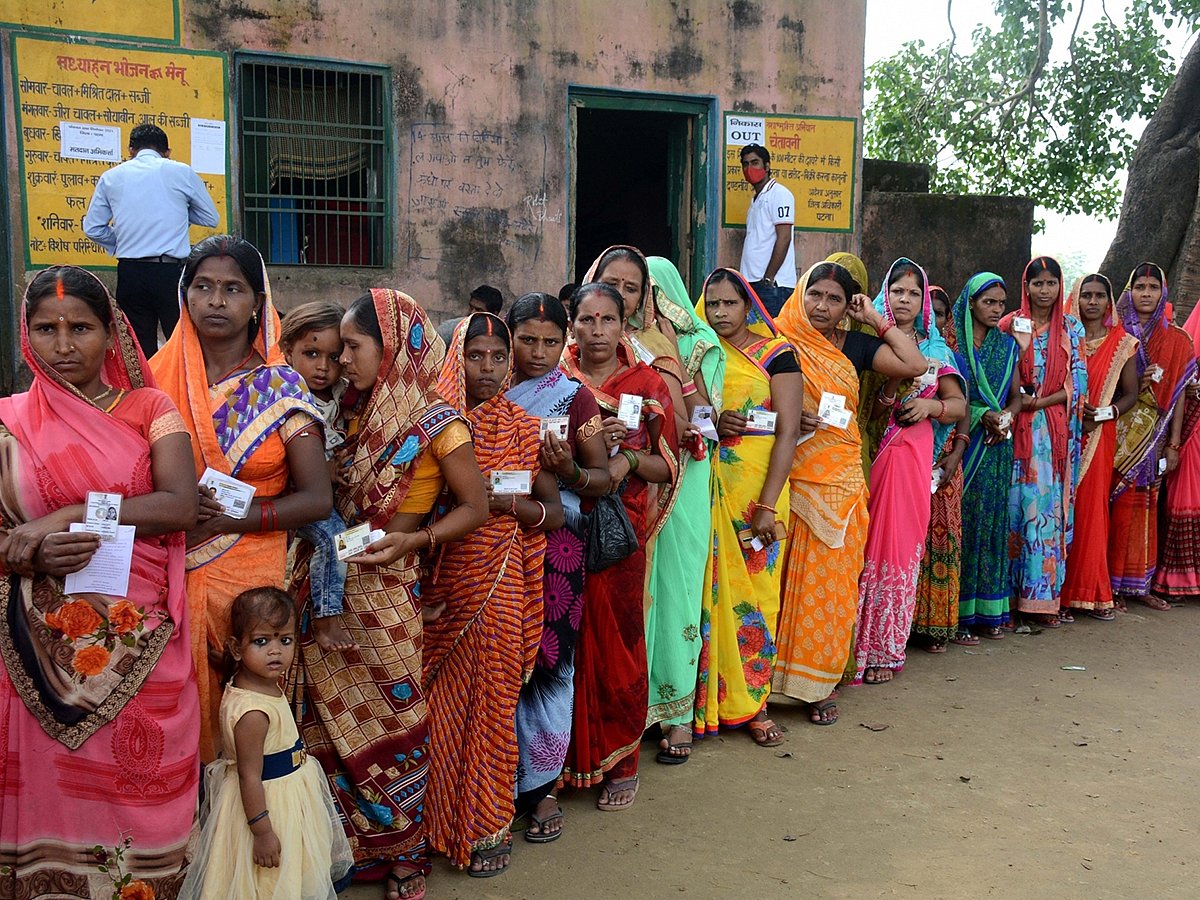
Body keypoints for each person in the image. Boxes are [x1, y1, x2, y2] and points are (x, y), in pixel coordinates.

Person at [0, 266, 199, 896]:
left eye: (80, 327)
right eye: (46, 329)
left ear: (113, 334)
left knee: (138, 789)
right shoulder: (9, 422)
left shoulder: (149, 408)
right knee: (51, 789)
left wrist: (76, 510)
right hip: (31, 648)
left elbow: (178, 505)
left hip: (143, 639)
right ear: (26, 336)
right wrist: (23, 555)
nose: (64, 346)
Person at [290, 289, 487, 900]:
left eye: (353, 346)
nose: (342, 359)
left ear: (395, 345)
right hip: (324, 584)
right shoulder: (344, 412)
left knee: (396, 718)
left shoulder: (438, 421)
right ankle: (348, 845)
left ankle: (403, 850)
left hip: (387, 589)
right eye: (339, 347)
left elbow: (476, 506)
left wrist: (417, 541)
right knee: (325, 723)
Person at [150, 235, 331, 762]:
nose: (216, 300)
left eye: (233, 288)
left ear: (258, 302)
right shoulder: (151, 380)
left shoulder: (281, 389)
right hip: (167, 564)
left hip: (248, 570)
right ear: (186, 297)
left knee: (243, 712)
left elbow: (317, 497)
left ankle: (242, 826)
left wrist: (238, 519)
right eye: (202, 287)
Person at [421, 313, 562, 877]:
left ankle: (485, 827)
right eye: (474, 356)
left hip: (501, 586)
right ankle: (432, 825)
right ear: (456, 360)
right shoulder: (434, 425)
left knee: (494, 708)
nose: (487, 368)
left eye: (496, 357)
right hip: (441, 581)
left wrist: (512, 508)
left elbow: (551, 514)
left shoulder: (527, 430)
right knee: (437, 710)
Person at [772, 262, 924, 725]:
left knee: (833, 584)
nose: (822, 306)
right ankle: (764, 684)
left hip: (840, 479)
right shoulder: (779, 341)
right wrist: (788, 417)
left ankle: (816, 684)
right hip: (786, 476)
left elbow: (914, 365)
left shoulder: (855, 345)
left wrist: (875, 319)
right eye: (815, 294)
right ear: (801, 293)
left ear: (848, 306)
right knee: (777, 581)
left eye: (835, 299)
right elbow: (750, 398)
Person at [589, 248, 715, 762]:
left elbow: (689, 425)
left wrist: (639, 447)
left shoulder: (662, 353)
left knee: (672, 596)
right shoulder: (573, 352)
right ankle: (622, 719)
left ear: (645, 298)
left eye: (631, 287)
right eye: (609, 282)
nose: (619, 294)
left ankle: (676, 713)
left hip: (666, 491)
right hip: (593, 500)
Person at [559, 282, 678, 811]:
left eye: (609, 320)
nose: (598, 331)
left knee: (617, 638)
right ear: (573, 324)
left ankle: (620, 759)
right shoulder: (555, 379)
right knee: (562, 639)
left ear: (624, 325)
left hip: (618, 527)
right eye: (588, 320)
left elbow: (667, 463)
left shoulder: (647, 383)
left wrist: (626, 459)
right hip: (560, 522)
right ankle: (559, 762)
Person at [505, 292, 610, 842]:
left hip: (557, 550)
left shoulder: (577, 401)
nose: (539, 353)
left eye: (550, 342)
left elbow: (603, 479)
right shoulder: (482, 385)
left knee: (548, 662)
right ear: (509, 336)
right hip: (491, 543)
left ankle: (541, 787)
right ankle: (495, 781)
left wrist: (567, 468)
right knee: (498, 660)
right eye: (527, 340)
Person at [180, 588, 352, 900]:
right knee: (266, 882)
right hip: (269, 807)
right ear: (235, 647)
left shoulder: (261, 687)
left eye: (284, 640)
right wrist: (262, 833)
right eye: (262, 641)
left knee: (286, 877)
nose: (275, 651)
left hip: (286, 796)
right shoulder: (253, 713)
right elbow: (249, 775)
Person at [693, 268, 800, 742]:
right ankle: (709, 704)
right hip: (710, 484)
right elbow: (694, 420)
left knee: (758, 595)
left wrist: (769, 504)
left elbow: (789, 432)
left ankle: (754, 704)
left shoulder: (777, 354)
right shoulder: (699, 353)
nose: (718, 313)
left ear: (749, 305)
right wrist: (716, 420)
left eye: (728, 304)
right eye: (711, 304)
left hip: (759, 490)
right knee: (708, 594)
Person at [854, 260, 966, 684]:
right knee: (863, 550)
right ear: (886, 294)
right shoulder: (869, 342)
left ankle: (884, 648)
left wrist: (930, 407)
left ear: (923, 302)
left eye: (913, 294)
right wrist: (888, 391)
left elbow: (959, 407)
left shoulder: (937, 353)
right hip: (871, 456)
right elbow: (868, 408)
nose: (904, 299)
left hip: (912, 456)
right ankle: (851, 650)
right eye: (897, 291)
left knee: (899, 551)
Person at [999, 257, 1087, 627]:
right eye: (1038, 283)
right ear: (1027, 286)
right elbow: (998, 372)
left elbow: (1077, 384)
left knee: (1044, 512)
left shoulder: (1071, 328)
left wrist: (1041, 402)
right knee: (1012, 509)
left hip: (1049, 433)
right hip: (1010, 428)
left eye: (1051, 283)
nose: (1045, 290)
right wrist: (1021, 399)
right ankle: (1005, 600)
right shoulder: (1008, 324)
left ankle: (1041, 600)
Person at [83, 123, 220, 355]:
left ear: (130, 151)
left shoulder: (111, 177)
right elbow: (210, 217)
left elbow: (93, 228)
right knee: (183, 344)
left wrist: (122, 242)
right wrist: (178, 213)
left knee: (138, 349)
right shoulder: (181, 171)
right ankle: (183, 391)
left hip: (130, 273)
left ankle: (145, 391)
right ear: (167, 152)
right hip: (170, 274)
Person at [1109, 263, 1197, 610]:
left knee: (1145, 508)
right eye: (1139, 286)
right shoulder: (1114, 333)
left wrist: (1173, 443)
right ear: (1129, 291)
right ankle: (1108, 585)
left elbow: (1178, 398)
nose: (1146, 294)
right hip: (1114, 433)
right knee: (1113, 508)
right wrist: (1131, 382)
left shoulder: (1177, 340)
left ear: (1164, 293)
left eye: (1153, 288)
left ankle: (1138, 585)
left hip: (1154, 437)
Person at [1060, 275, 1139, 619]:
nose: (1092, 302)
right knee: (1058, 508)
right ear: (1076, 299)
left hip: (1099, 435)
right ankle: (1054, 594)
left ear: (1110, 302)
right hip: (1060, 433)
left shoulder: (1123, 344)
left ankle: (1089, 592)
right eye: (1086, 295)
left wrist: (1105, 413)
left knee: (1091, 509)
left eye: (1099, 296)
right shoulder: (1064, 340)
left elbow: (1131, 395)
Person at [280, 302, 357, 652]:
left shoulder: (343, 394)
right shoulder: (284, 396)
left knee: (360, 537)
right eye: (311, 353)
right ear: (287, 352)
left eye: (333, 355)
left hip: (331, 494)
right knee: (334, 538)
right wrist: (320, 473)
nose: (323, 367)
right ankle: (326, 618)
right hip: (294, 499)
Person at [954, 273, 1022, 640]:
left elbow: (1016, 395)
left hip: (997, 446)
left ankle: (988, 613)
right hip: (965, 444)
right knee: (964, 524)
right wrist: (983, 415)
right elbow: (952, 394)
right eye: (988, 302)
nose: (996, 309)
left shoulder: (1009, 346)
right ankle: (960, 615)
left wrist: (1007, 416)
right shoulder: (954, 344)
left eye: (1000, 303)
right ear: (971, 302)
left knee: (992, 524)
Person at [912, 286, 973, 652]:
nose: (931, 318)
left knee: (940, 535)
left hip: (946, 455)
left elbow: (961, 404)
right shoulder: (895, 349)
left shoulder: (949, 355)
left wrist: (956, 453)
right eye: (927, 311)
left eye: (939, 313)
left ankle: (936, 624)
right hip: (908, 452)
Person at [1153, 300, 1200, 601]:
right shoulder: (1190, 334)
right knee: (1188, 493)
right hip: (1196, 426)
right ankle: (1181, 577)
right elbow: (1188, 378)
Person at [737, 143, 797, 316]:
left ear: (767, 166)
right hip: (752, 284)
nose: (749, 168)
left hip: (773, 286)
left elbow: (784, 238)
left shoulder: (779, 194)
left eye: (755, 162)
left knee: (772, 338)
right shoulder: (756, 199)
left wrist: (768, 278)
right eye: (745, 164)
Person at [436, 284, 504, 345]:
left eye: (478, 310)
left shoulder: (502, 337)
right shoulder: (449, 329)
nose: (472, 313)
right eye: (471, 307)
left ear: (494, 314)